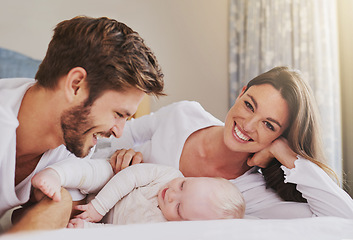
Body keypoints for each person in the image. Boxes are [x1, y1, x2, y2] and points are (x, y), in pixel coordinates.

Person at [95, 66, 353, 219]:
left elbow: (344, 218)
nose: (248, 125)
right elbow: (110, 136)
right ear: (241, 93)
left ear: (281, 136)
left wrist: (287, 155)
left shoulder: (254, 192)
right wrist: (120, 153)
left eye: (269, 125)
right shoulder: (185, 115)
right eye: (249, 105)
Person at [0, 15, 165, 233]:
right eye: (118, 114)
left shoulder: (72, 140)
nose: (119, 131)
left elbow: (58, 210)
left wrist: (64, 201)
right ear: (76, 85)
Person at [31, 160, 245, 228]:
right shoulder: (168, 175)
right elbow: (130, 177)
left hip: (95, 220)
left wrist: (90, 227)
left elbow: (118, 235)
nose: (171, 194)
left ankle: (25, 220)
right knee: (100, 170)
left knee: (57, 222)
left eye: (179, 208)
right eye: (183, 186)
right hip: (106, 187)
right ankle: (57, 174)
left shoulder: (160, 229)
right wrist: (99, 207)